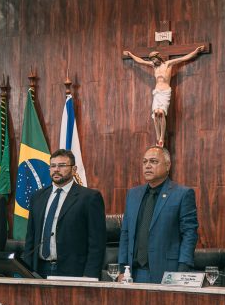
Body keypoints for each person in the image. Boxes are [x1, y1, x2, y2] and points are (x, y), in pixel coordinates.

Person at [117, 146, 199, 283]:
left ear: (167, 166)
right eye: (144, 162)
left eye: (153, 161)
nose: (147, 166)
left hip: (166, 272)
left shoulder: (182, 194)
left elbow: (189, 234)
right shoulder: (133, 194)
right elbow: (125, 233)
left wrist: (182, 271)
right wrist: (121, 269)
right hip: (133, 274)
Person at [22, 149, 106, 278]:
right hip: (39, 269)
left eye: (62, 166)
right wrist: (25, 271)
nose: (56, 169)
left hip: (73, 271)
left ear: (74, 169)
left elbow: (97, 243)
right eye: (53, 166)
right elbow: (30, 238)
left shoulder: (89, 197)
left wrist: (90, 276)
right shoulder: (38, 197)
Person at [123, 46, 204, 146]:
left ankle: (162, 137)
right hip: (157, 92)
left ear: (159, 57)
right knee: (156, 114)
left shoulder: (168, 64)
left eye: (154, 59)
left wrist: (195, 51)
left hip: (165, 92)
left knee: (161, 113)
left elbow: (184, 58)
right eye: (152, 60)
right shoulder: (154, 66)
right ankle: (158, 137)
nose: (153, 61)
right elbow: (141, 61)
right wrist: (131, 55)